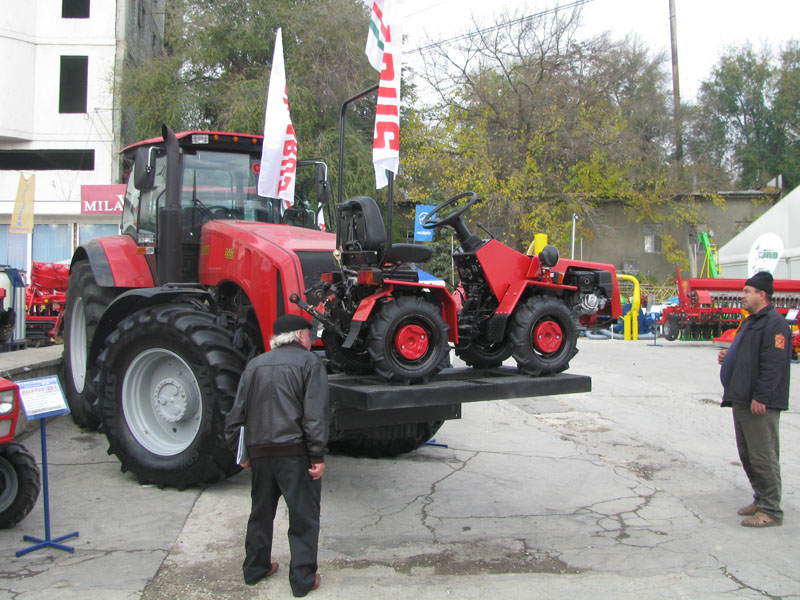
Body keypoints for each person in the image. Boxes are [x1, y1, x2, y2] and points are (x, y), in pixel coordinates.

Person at [225, 314, 330, 596]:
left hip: (260, 454)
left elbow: (236, 414)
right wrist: (317, 455)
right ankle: (302, 580)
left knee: (260, 514)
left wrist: (241, 452)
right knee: (303, 517)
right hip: (295, 454)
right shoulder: (310, 364)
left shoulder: (255, 365)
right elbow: (315, 416)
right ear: (299, 335)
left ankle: (255, 568)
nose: (312, 339)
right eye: (310, 334)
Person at [718, 271, 791, 527]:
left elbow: (774, 364)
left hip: (759, 403)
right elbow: (749, 355)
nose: (742, 296)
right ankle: (760, 499)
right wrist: (730, 356)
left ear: (762, 295)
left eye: (747, 292)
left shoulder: (774, 324)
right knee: (748, 454)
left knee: (763, 455)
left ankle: (771, 510)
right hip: (741, 398)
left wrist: (761, 396)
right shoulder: (751, 321)